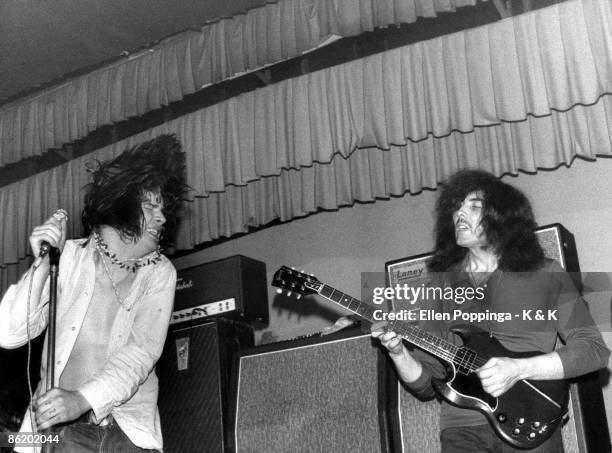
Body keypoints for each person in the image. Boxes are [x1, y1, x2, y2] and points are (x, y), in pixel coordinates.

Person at [372, 169, 610, 453]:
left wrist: (519, 368)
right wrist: (398, 353)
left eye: (473, 206)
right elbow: (426, 383)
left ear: (502, 217)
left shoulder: (546, 273)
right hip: (461, 428)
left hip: (529, 414)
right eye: (456, 207)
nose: (459, 214)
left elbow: (594, 351)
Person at [0, 134, 188, 452]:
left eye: (164, 209)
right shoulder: (69, 257)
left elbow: (139, 355)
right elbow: (8, 332)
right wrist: (44, 263)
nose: (163, 217)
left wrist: (82, 399)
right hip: (56, 434)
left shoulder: (160, 273)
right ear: (121, 203)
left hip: (127, 434)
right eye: (151, 206)